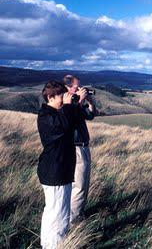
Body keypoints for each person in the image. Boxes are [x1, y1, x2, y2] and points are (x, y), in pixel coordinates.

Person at [37, 80, 76, 249]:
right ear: (50, 97)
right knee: (58, 214)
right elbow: (63, 126)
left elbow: (71, 123)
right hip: (55, 172)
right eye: (61, 95)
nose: (64, 98)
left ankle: (47, 244)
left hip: (60, 170)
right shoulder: (46, 116)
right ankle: (55, 245)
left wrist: (71, 105)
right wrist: (67, 107)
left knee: (54, 211)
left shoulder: (55, 113)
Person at [63, 75, 96, 223]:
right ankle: (74, 221)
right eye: (77, 88)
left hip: (82, 146)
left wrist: (89, 102)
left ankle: (75, 214)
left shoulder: (76, 103)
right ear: (67, 88)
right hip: (76, 147)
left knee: (82, 184)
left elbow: (90, 115)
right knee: (79, 186)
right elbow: (68, 119)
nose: (80, 90)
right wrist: (80, 101)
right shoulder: (65, 105)